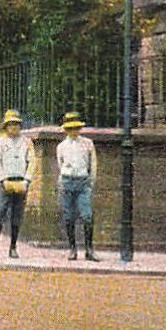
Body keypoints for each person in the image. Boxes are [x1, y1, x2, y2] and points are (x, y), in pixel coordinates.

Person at [0, 108, 35, 259]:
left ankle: (13, 247)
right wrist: (2, 179)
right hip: (5, 182)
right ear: (5, 126)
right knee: (0, 212)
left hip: (20, 181)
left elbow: (31, 161)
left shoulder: (27, 142)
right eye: (10, 124)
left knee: (17, 215)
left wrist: (27, 180)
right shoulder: (0, 141)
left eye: (16, 124)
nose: (13, 127)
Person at [57, 111, 99, 261]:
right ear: (66, 130)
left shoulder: (88, 143)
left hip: (83, 181)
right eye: (70, 128)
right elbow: (60, 164)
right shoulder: (61, 146)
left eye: (75, 128)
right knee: (69, 217)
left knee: (87, 216)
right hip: (67, 181)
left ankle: (89, 249)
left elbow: (93, 164)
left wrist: (90, 182)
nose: (73, 131)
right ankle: (72, 248)